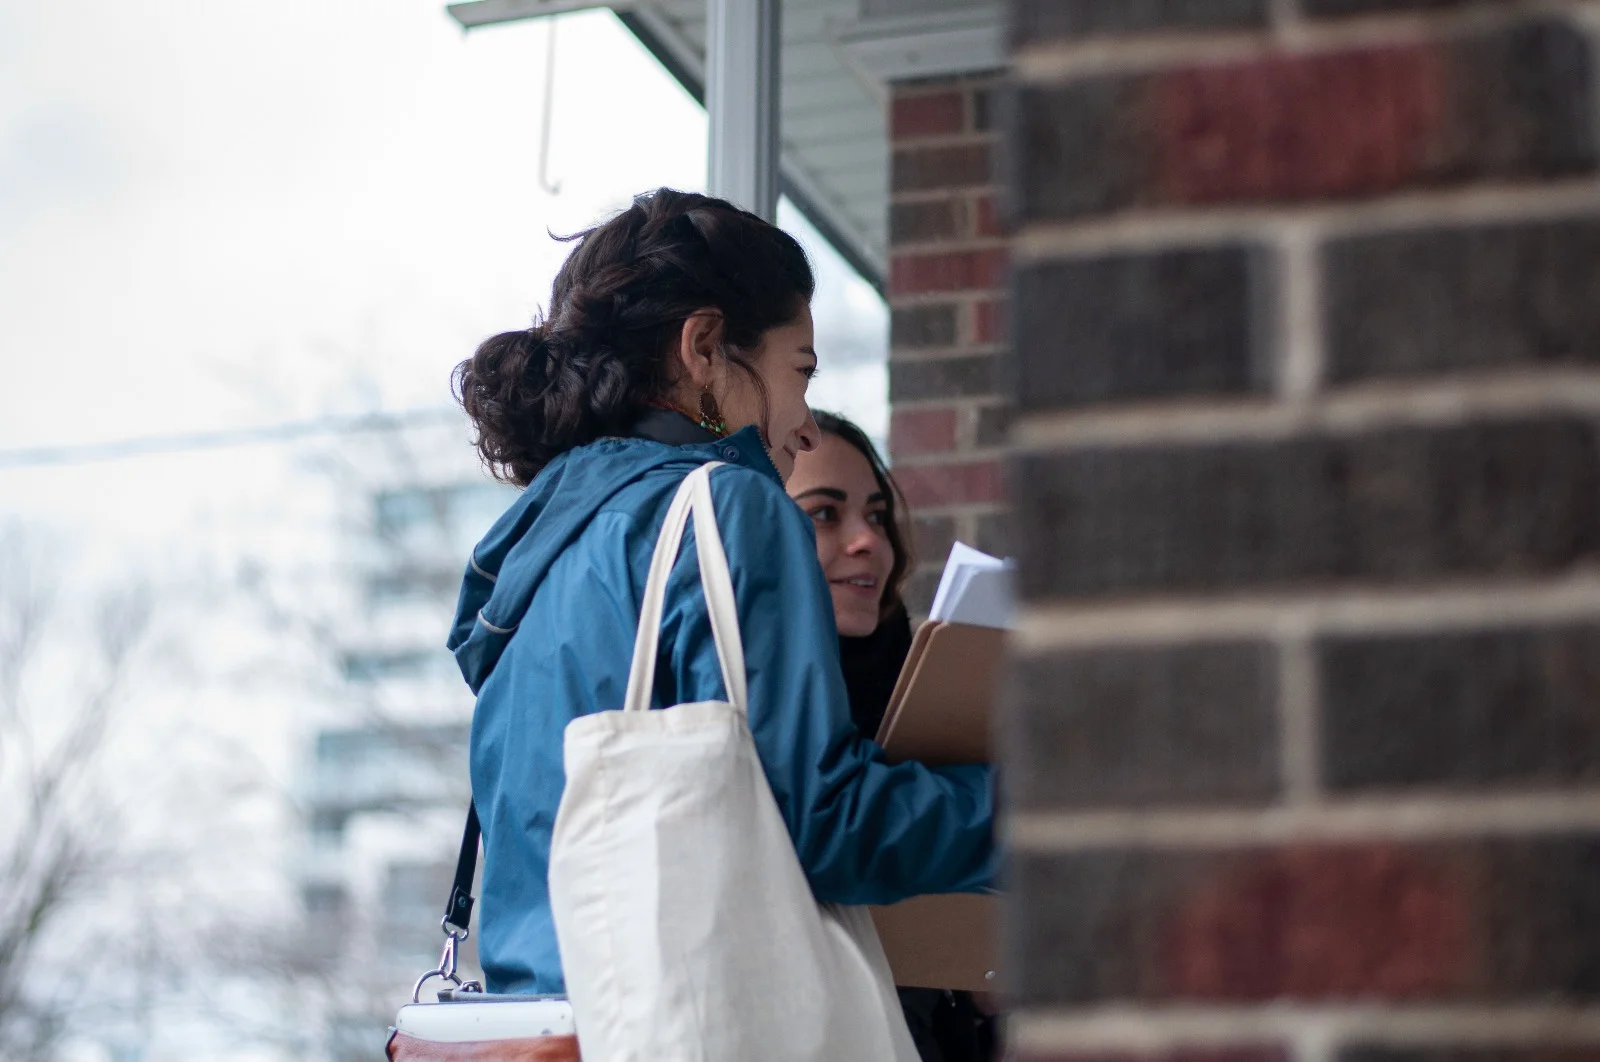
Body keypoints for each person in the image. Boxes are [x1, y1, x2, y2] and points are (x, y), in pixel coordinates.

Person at [447, 189, 997, 1005]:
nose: (806, 425)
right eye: (799, 373)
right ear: (705, 346)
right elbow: (822, 823)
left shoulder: (540, 548)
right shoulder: (726, 508)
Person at [787, 411, 999, 1062]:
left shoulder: (926, 672)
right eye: (826, 514)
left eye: (876, 516)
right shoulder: (757, 709)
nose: (867, 542)